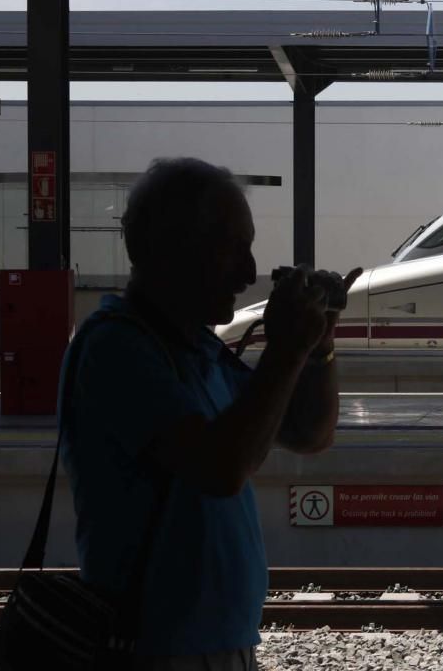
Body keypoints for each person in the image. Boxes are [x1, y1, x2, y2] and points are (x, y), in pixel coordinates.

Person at [59, 157, 360, 671]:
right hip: (153, 651)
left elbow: (309, 433)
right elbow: (220, 469)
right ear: (172, 248)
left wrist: (320, 346)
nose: (248, 273)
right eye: (233, 248)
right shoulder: (117, 348)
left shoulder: (195, 349)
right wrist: (285, 351)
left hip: (213, 644)